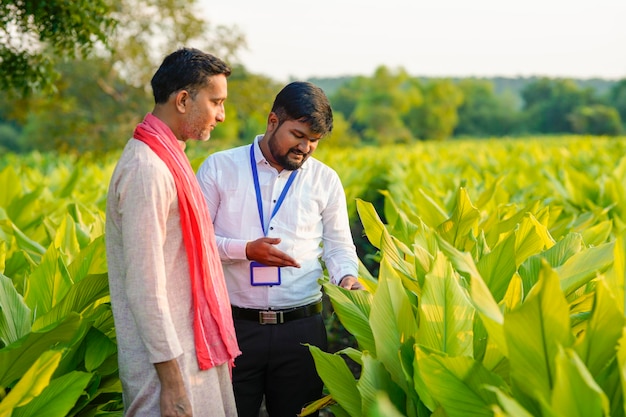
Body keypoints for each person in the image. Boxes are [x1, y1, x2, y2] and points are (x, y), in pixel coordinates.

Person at [196, 81, 363, 417]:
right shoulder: (219, 168)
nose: (306, 147)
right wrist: (245, 250)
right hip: (233, 326)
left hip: (302, 330)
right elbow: (194, 243)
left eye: (314, 141)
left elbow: (339, 246)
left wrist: (348, 278)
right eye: (298, 135)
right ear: (273, 121)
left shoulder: (325, 180)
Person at [105, 47, 240, 417]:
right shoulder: (147, 170)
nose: (221, 115)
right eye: (216, 102)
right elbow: (145, 287)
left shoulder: (167, 158)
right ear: (183, 100)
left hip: (190, 352)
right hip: (166, 372)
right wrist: (173, 383)